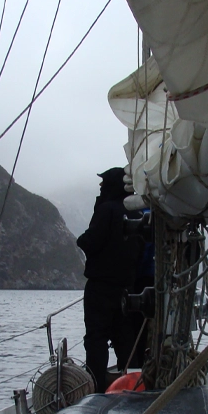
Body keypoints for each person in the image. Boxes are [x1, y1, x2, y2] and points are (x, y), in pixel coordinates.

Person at [77, 167, 144, 392]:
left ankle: (96, 388)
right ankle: (135, 386)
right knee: (125, 339)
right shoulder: (136, 213)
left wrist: (82, 240)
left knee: (96, 339)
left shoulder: (107, 210)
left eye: (103, 184)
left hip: (101, 286)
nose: (100, 187)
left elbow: (90, 241)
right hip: (127, 288)